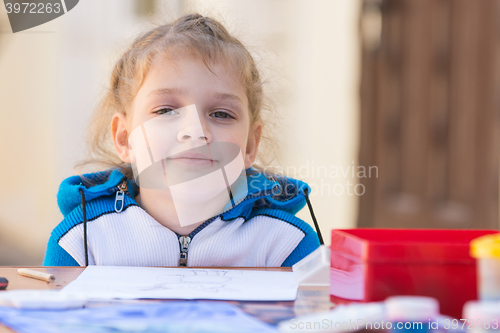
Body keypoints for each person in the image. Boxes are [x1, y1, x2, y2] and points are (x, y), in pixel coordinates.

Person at [43, 14, 321, 267]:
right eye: (165, 110)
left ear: (249, 146)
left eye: (221, 114)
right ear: (125, 138)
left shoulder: (288, 245)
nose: (195, 131)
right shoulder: (81, 241)